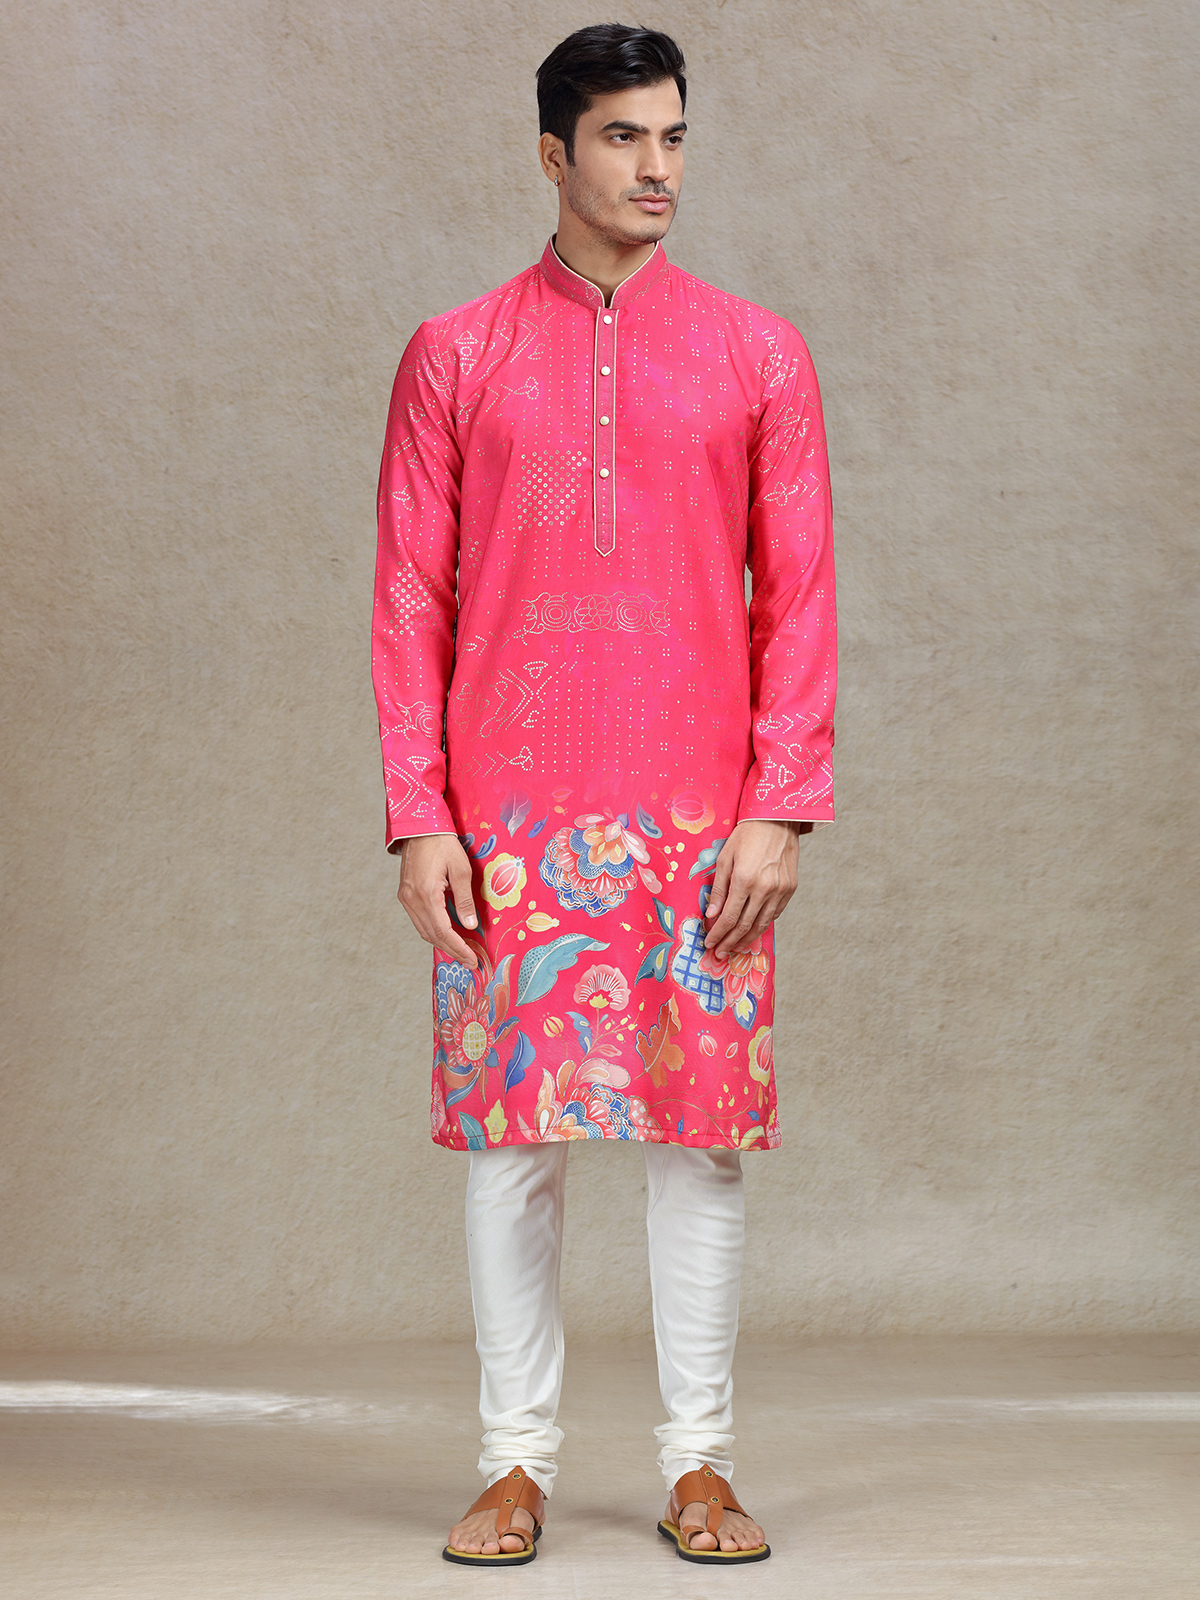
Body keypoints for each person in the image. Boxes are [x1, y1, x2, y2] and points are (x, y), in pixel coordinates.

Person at [372, 22, 835, 1568]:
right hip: (509, 809)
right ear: (552, 154)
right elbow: (410, 599)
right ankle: (514, 1465)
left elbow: (800, 597)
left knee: (698, 1138)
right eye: (625, 137)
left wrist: (780, 804)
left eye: (674, 136)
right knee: (517, 1142)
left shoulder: (759, 353)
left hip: (703, 811)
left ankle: (700, 1464)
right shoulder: (457, 354)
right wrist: (419, 814)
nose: (657, 168)